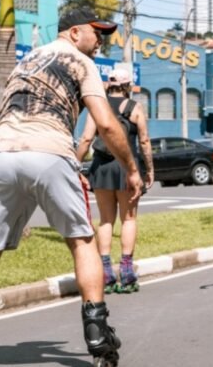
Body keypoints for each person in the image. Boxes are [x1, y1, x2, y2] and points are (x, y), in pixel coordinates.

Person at [0, 7, 144, 367]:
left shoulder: (26, 61)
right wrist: (132, 169)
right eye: (96, 31)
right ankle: (98, 335)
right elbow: (106, 124)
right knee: (82, 240)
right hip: (50, 151)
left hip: (3, 154)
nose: (100, 39)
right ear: (73, 33)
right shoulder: (80, 62)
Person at [77, 68, 154, 294]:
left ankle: (107, 273)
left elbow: (86, 138)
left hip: (101, 167)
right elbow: (145, 141)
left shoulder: (97, 107)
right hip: (127, 168)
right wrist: (149, 170)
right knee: (129, 219)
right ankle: (127, 272)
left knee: (106, 221)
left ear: (108, 85)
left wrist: (74, 165)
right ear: (128, 85)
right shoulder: (135, 108)